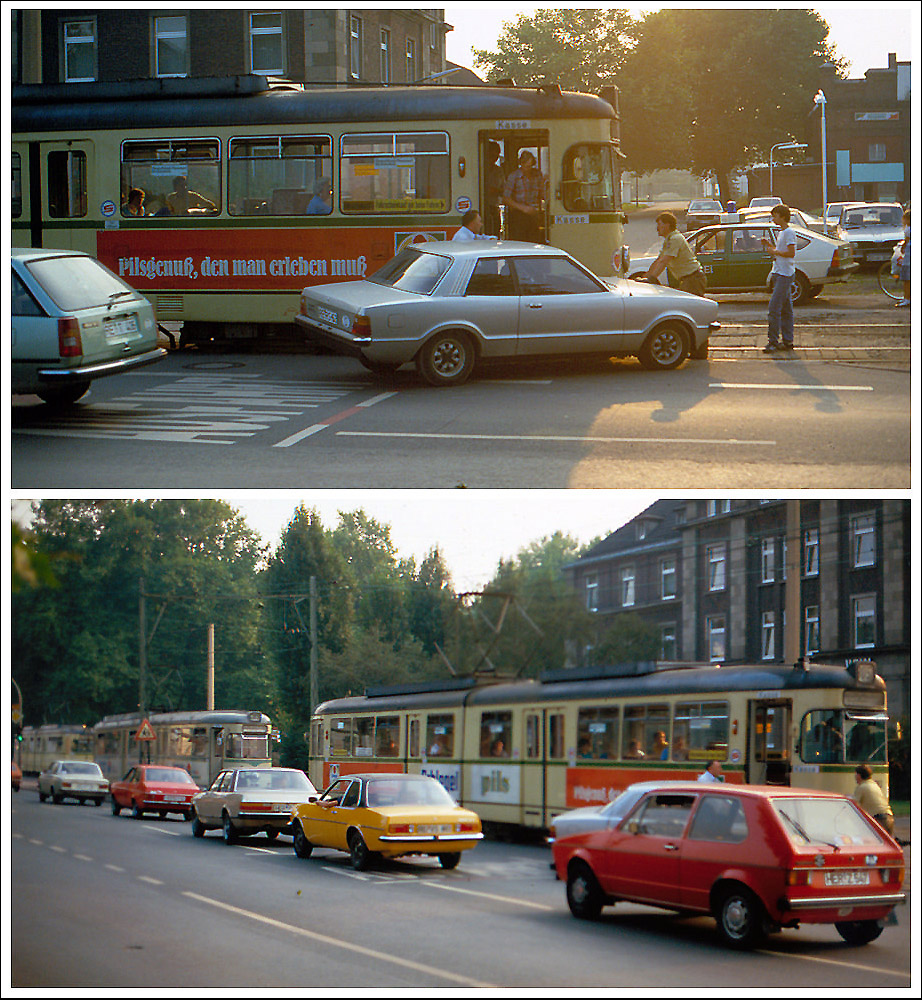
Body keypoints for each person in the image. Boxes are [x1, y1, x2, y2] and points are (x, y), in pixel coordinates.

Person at [640, 212, 707, 296]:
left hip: (693, 279)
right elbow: (658, 260)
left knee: (689, 307)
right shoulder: (668, 240)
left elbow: (664, 261)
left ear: (667, 225)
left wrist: (652, 278)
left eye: (659, 224)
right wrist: (646, 277)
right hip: (688, 279)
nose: (657, 228)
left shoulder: (675, 239)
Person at [762, 203, 797, 352]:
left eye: (775, 216)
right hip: (779, 272)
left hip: (785, 274)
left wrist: (774, 251)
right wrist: (770, 247)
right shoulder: (782, 232)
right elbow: (780, 250)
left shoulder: (789, 232)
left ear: (782, 217)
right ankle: (788, 341)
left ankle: (773, 341)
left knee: (774, 308)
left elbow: (791, 253)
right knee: (786, 309)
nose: (773, 218)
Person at [503, 149, 545, 242]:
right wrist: (523, 208)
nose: (528, 169)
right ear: (521, 164)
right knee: (521, 241)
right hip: (518, 215)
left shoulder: (537, 175)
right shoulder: (513, 176)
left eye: (530, 166)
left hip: (534, 214)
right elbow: (506, 198)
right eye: (526, 167)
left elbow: (542, 193)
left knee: (535, 240)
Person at [853, 764, 895, 835]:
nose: (855, 777)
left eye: (856, 775)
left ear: (859, 776)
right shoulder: (874, 785)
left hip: (879, 820)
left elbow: (854, 805)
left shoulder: (861, 787)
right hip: (889, 817)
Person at [895, 209, 910, 307]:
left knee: (906, 278)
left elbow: (907, 240)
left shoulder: (908, 229)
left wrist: (902, 247)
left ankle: (907, 298)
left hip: (909, 254)